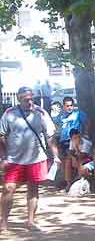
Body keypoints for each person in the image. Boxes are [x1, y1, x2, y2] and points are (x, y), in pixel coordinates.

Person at [0, 87, 59, 232]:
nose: (30, 102)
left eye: (32, 98)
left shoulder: (41, 113)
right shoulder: (9, 114)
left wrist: (56, 155)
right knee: (8, 188)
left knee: (33, 188)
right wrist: (3, 157)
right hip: (14, 159)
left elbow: (50, 136)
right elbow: (1, 135)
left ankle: (31, 221)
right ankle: (4, 222)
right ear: (19, 99)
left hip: (36, 158)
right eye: (26, 100)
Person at [53, 96, 86, 178]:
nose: (69, 107)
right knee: (63, 160)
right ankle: (66, 179)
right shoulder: (60, 116)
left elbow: (87, 123)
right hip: (63, 141)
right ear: (63, 106)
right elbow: (55, 124)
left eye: (71, 105)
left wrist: (85, 133)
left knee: (73, 159)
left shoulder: (78, 114)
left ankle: (77, 178)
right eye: (67, 106)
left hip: (75, 141)